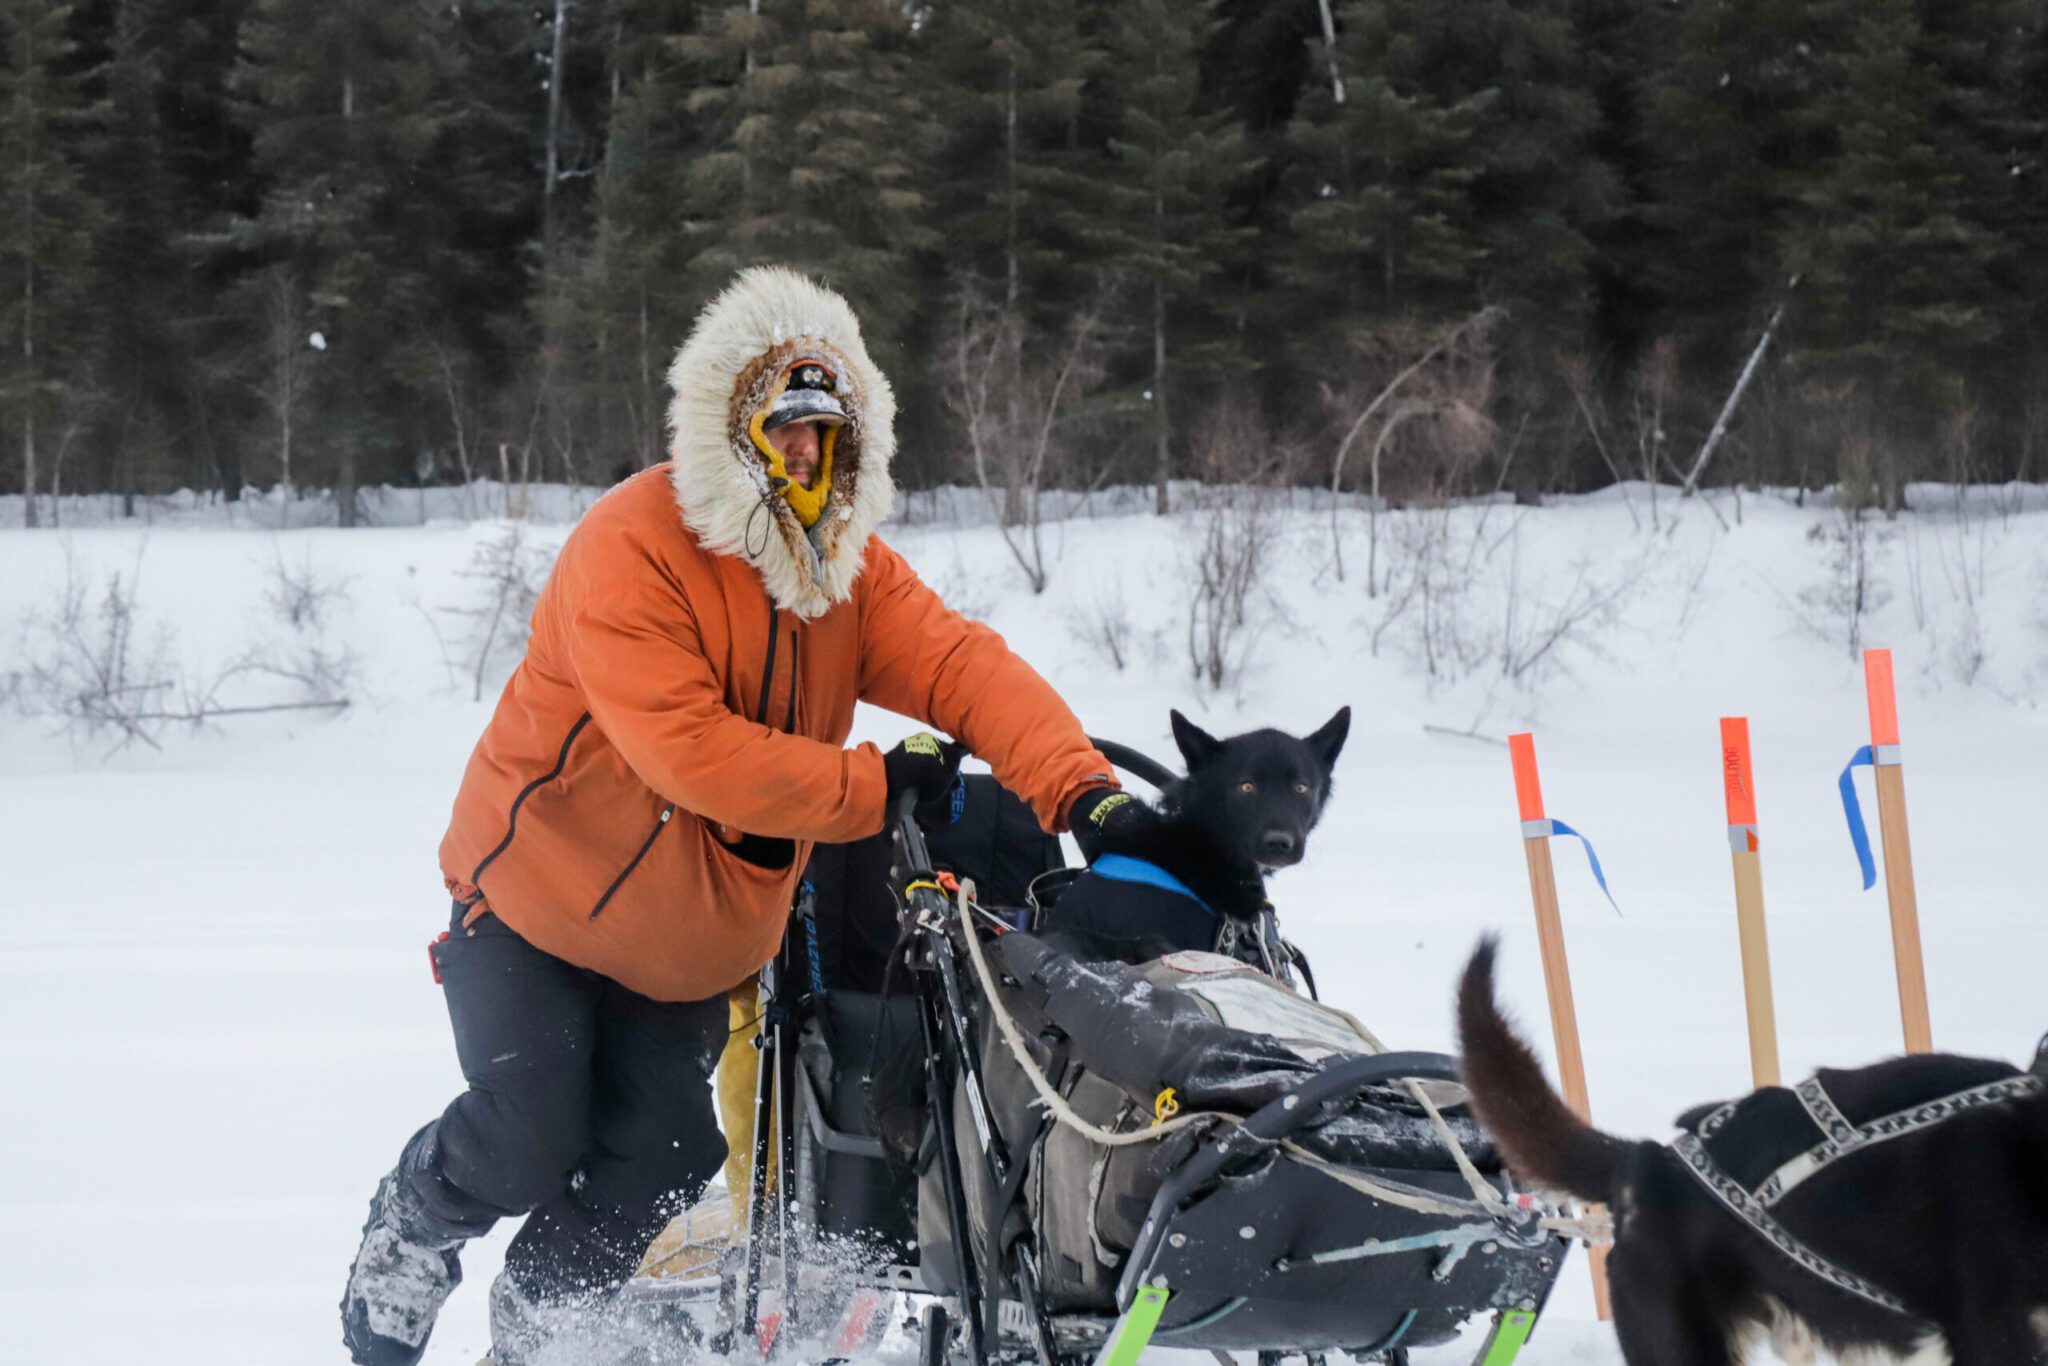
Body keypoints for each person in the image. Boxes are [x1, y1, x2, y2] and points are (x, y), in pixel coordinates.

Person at [339, 267, 1137, 1365]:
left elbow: (962, 666)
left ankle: (532, 1339)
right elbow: (686, 751)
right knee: (531, 1127)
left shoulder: (844, 577)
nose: (807, 459)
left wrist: (1079, 787)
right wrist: (871, 784)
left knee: (657, 1159)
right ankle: (413, 1223)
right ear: (735, 433)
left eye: (828, 437)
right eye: (786, 432)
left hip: (685, 949)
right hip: (532, 908)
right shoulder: (631, 546)